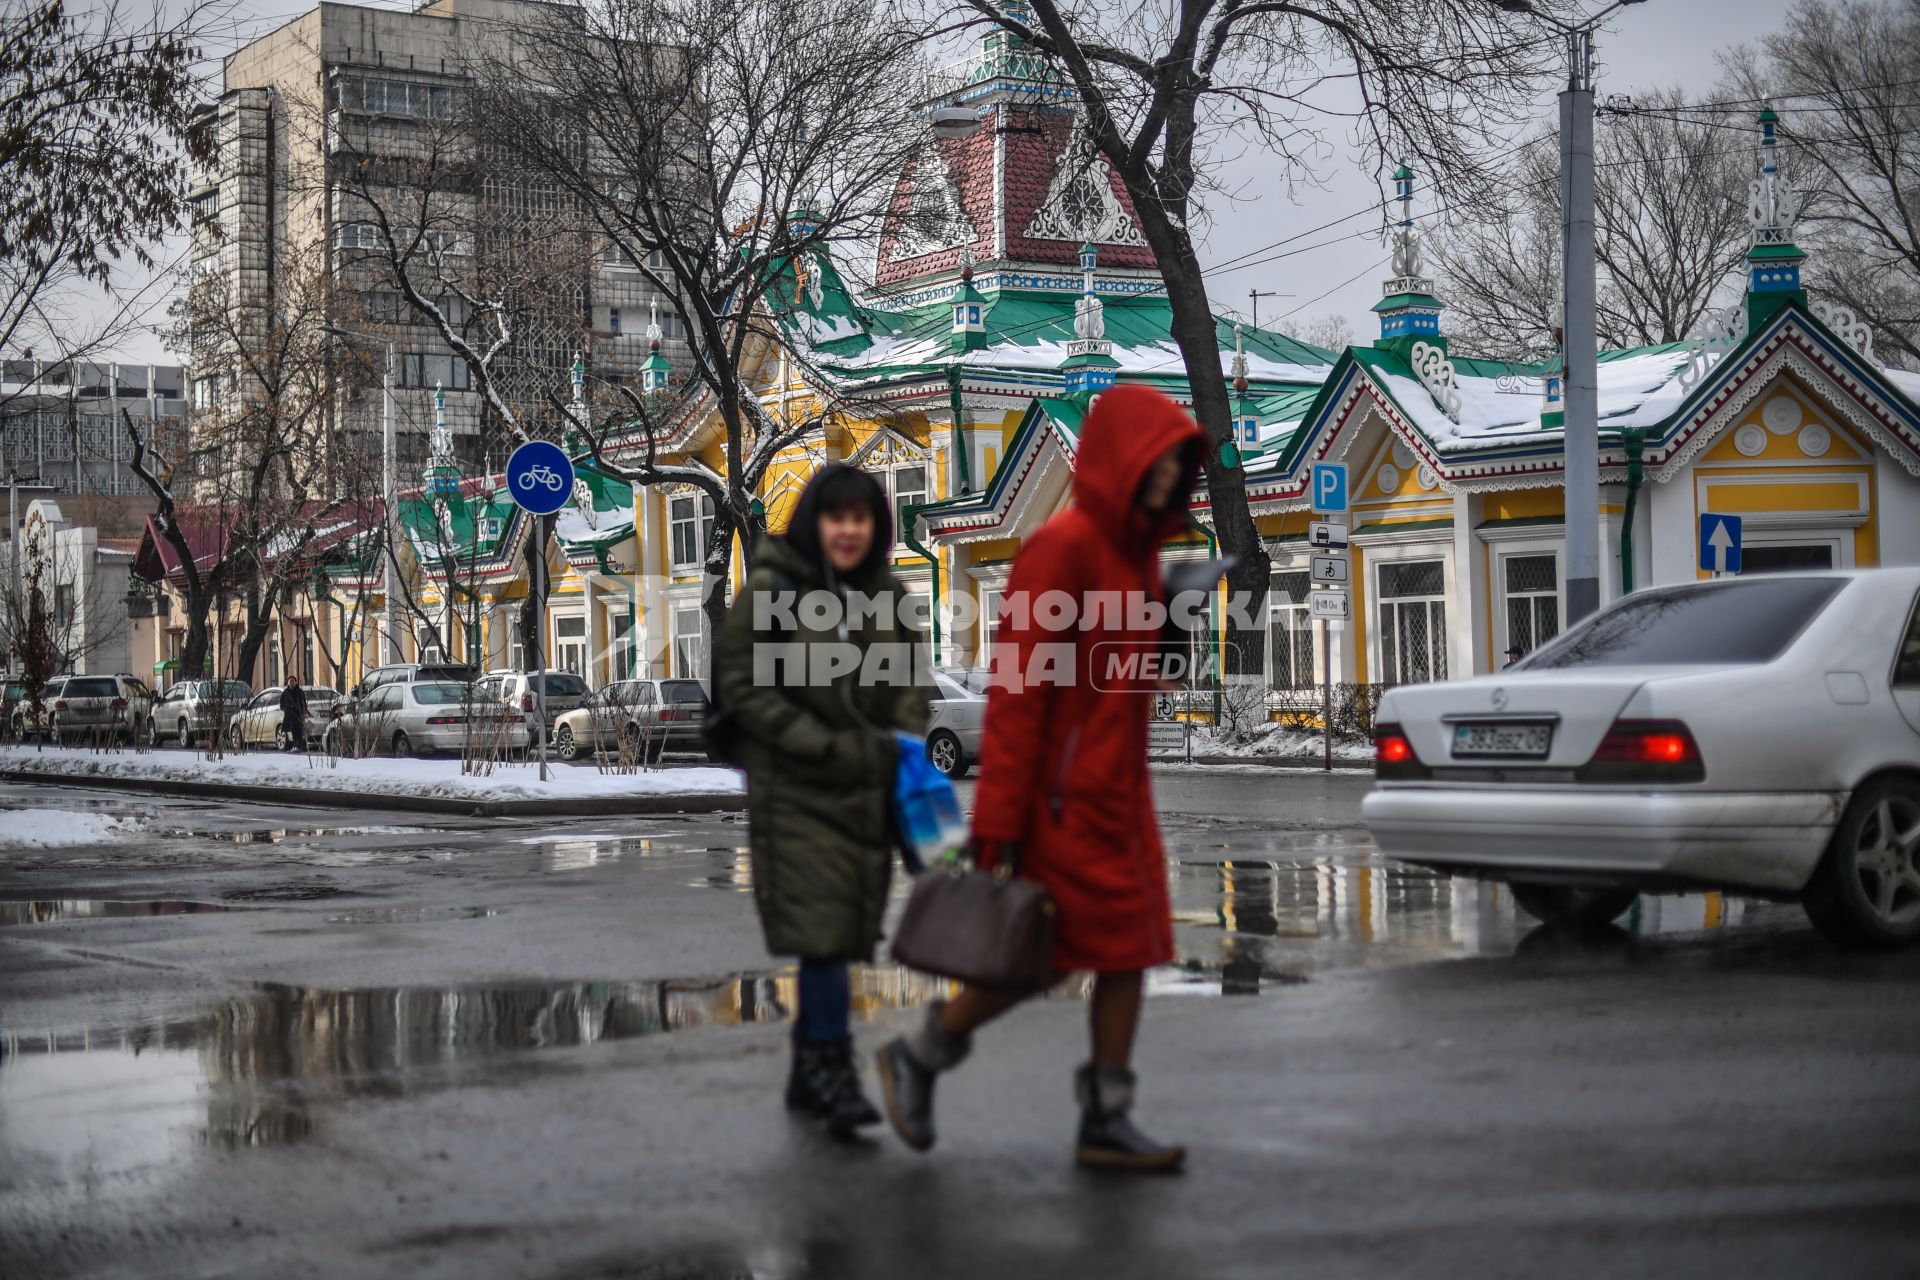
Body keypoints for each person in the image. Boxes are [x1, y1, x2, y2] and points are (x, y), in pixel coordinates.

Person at [875, 384, 1203, 1173]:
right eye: (1153, 465)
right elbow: (1019, 699)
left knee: (1127, 949)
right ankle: (921, 1056)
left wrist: (1170, 630)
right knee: (1049, 953)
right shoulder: (1061, 548)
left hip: (1118, 798)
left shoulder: (1136, 562)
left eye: (1175, 469)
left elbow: (1116, 684)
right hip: (1061, 804)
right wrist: (997, 823)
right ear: (1119, 459)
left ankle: (1105, 1116)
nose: (1164, 483)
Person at [713, 463, 929, 1137]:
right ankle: (831, 1070)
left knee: (839, 935)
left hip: (868, 792)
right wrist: (822, 745)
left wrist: (898, 743)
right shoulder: (774, 590)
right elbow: (743, 689)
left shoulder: (887, 596)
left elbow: (909, 689)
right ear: (814, 521)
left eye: (861, 518)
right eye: (836, 516)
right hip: (797, 792)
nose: (848, 530)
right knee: (827, 939)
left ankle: (811, 1070)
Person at [278, 678, 310, 751]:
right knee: (292, 731)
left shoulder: (299, 692)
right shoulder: (285, 692)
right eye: (290, 681)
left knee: (299, 731)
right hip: (289, 715)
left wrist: (303, 711)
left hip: (298, 715)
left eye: (293, 681)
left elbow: (303, 702)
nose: (291, 682)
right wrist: (285, 708)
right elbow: (281, 703)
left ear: (296, 682)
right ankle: (294, 746)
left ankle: (298, 746)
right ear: (288, 683)